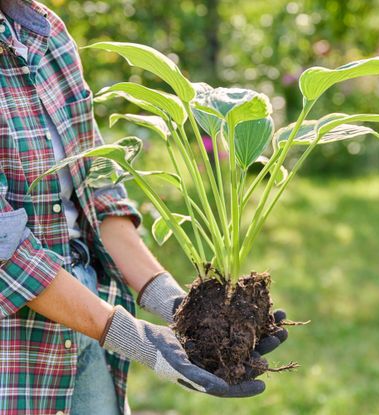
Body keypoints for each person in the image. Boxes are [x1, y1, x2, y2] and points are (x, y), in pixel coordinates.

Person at [0, 1, 288, 414]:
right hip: (17, 345)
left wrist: (175, 303)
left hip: (89, 316)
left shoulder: (44, 30)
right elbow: (4, 250)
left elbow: (98, 185)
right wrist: (134, 337)